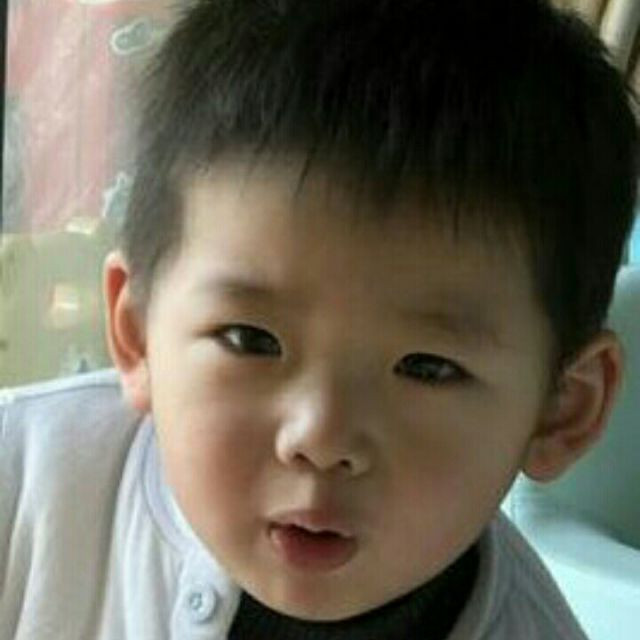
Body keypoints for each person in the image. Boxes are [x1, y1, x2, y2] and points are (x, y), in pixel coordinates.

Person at [1, 0, 637, 638]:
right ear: (136, 330)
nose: (321, 438)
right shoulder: (24, 488)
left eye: (427, 367)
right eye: (251, 339)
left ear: (562, 409)